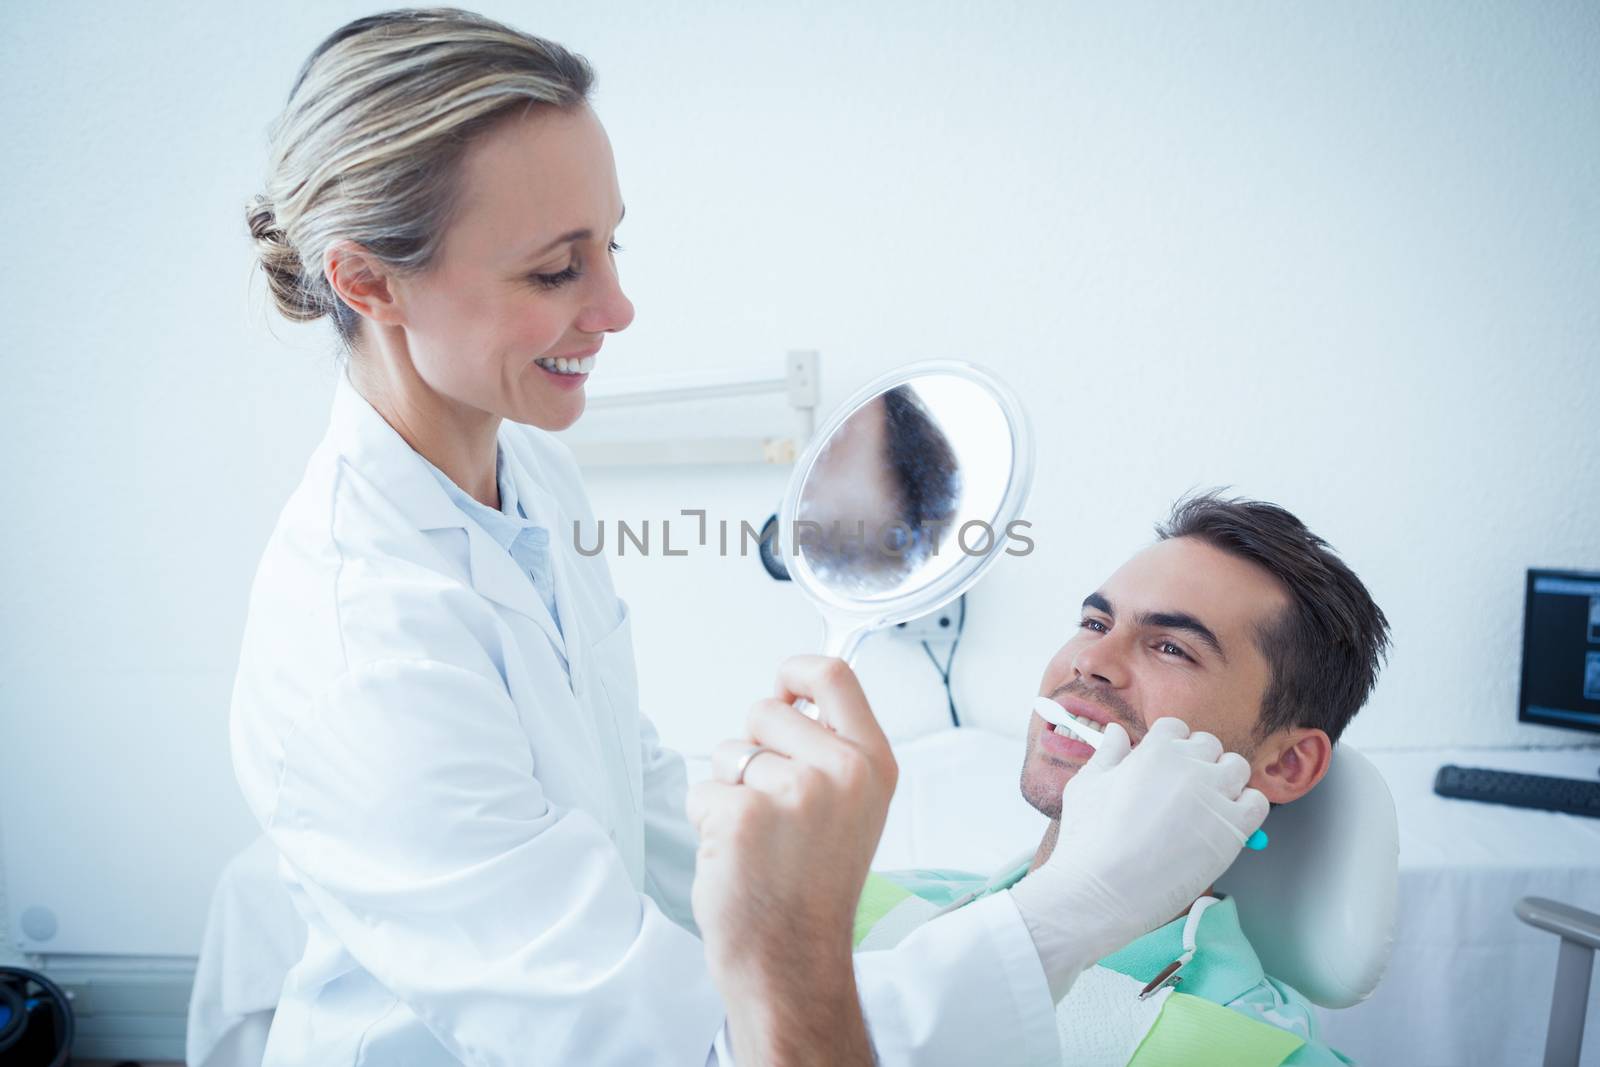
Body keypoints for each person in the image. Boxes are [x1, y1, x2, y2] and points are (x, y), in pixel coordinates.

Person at [231, 10, 1265, 1065]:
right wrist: (1069, 911)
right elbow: (684, 1048)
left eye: (612, 243)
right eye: (554, 271)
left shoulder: (525, 467)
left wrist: (829, 909)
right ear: (368, 282)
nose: (618, 306)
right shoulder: (366, 657)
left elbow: (623, 791)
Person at [752, 492, 1385, 1065]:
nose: (1090, 661)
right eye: (1095, 623)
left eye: (1172, 647)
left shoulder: (1257, 1051)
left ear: (1285, 764)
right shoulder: (865, 903)